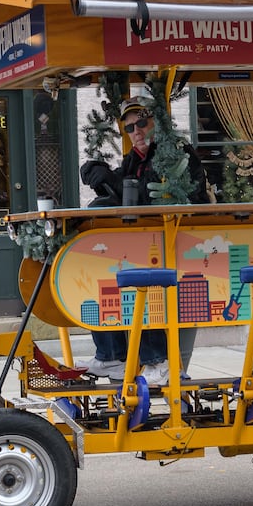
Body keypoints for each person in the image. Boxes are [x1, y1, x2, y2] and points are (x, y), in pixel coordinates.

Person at [78, 98, 210, 385]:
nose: (136, 131)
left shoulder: (175, 152)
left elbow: (150, 193)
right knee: (104, 280)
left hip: (179, 243)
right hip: (141, 242)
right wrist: (96, 171)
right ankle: (112, 355)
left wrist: (111, 182)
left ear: (156, 123)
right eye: (129, 128)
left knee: (145, 286)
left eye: (141, 123)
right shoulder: (134, 158)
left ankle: (158, 362)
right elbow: (123, 188)